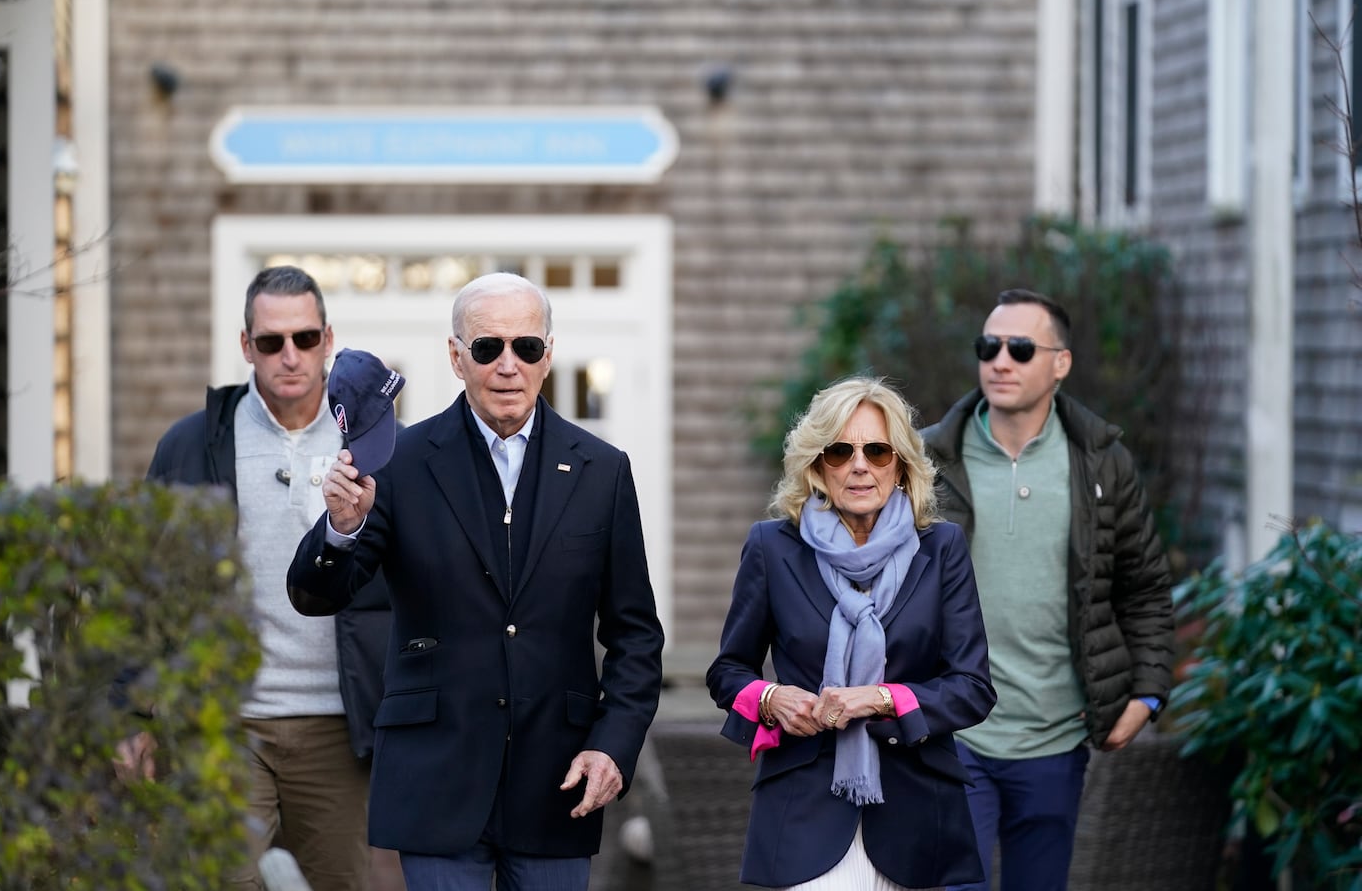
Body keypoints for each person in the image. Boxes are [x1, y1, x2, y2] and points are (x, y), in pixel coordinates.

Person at [287, 271, 665, 891]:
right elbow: (317, 595)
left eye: (527, 347)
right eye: (488, 348)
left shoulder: (603, 471)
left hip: (558, 780)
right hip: (436, 777)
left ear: (549, 355)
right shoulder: (398, 462)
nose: (509, 365)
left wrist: (613, 745)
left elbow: (636, 637)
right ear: (457, 358)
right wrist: (339, 528)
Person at [124, 265, 401, 891]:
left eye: (304, 339)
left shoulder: (383, 448)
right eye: (272, 342)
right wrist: (131, 710)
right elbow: (143, 588)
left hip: (339, 725)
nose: (290, 356)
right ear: (246, 346)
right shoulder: (192, 446)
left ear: (328, 339)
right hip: (226, 725)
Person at [921, 288, 1175, 891]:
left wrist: (1149, 695)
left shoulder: (1102, 464)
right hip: (953, 732)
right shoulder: (929, 459)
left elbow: (1144, 589)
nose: (1000, 361)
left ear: (1060, 363)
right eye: (989, 347)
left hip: (1056, 738)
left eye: (1020, 348)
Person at [706, 376, 996, 891]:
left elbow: (972, 688)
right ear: (818, 466)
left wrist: (881, 699)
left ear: (901, 465)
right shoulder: (773, 547)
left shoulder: (943, 548)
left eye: (878, 451)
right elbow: (728, 672)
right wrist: (771, 698)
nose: (859, 465)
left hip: (916, 820)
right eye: (840, 451)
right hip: (803, 816)